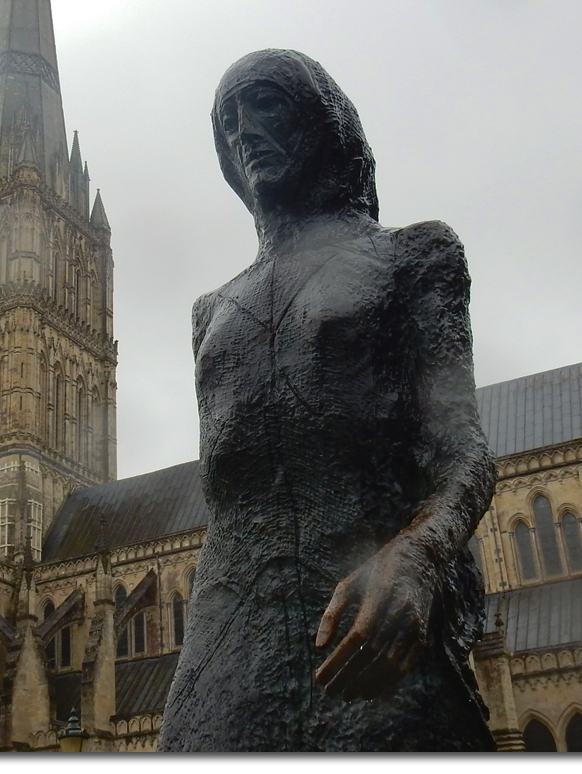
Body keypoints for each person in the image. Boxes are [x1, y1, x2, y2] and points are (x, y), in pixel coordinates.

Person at [157, 49, 497, 752]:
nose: (245, 130)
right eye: (228, 120)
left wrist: (419, 557)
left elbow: (462, 451)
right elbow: (230, 498)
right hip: (229, 634)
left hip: (366, 611)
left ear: (322, 119)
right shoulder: (209, 312)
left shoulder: (415, 256)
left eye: (267, 104)